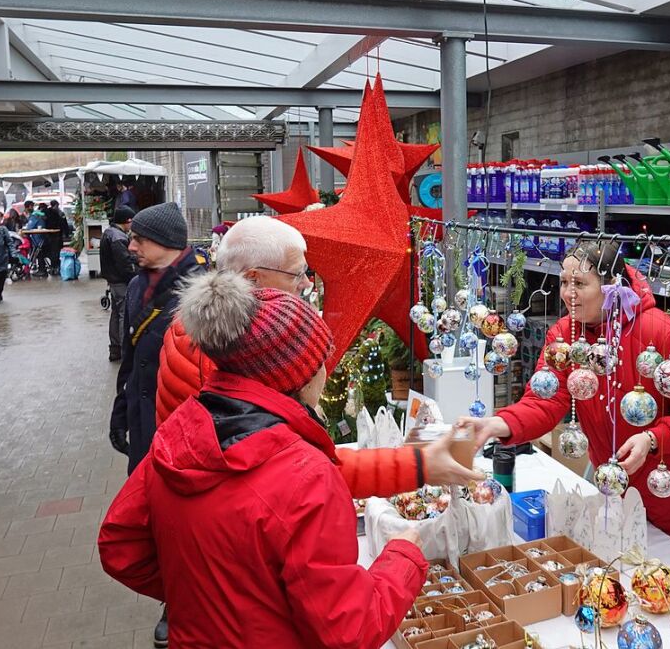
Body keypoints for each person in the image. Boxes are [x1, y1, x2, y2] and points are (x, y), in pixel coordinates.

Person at [99, 269, 426, 649]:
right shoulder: (306, 476)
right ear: (301, 376)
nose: (325, 371)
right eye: (321, 360)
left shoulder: (179, 433)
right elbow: (349, 630)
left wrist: (211, 597)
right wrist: (405, 555)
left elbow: (121, 545)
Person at [157, 215, 481, 495]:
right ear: (253, 278)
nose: (306, 283)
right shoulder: (228, 349)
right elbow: (302, 470)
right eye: (296, 274)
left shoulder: (209, 331)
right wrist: (418, 467)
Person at [459, 241, 670, 553]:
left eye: (580, 283)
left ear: (611, 285)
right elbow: (545, 399)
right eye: (564, 282)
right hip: (617, 491)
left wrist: (654, 439)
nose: (568, 293)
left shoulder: (662, 333)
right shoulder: (565, 337)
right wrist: (500, 424)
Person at [108, 202, 206, 647]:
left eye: (138, 239)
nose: (130, 246)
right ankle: (171, 591)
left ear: (165, 243)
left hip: (186, 426)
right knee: (155, 517)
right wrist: (120, 409)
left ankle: (180, 604)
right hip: (144, 420)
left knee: (188, 520)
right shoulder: (134, 287)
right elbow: (130, 355)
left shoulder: (203, 292)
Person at [100, 206, 136, 362]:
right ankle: (124, 350)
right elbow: (125, 264)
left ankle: (114, 349)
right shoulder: (119, 238)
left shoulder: (109, 233)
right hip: (121, 282)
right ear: (127, 221)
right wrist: (135, 277)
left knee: (115, 314)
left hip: (112, 281)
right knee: (123, 315)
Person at [23, 203, 48, 274]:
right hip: (40, 238)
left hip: (38, 238)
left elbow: (29, 227)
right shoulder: (38, 216)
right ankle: (42, 268)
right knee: (40, 253)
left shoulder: (33, 217)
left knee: (39, 253)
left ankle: (42, 270)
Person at [43, 201, 65, 276]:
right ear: (55, 205)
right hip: (56, 236)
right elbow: (63, 224)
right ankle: (55, 267)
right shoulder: (58, 213)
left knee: (53, 252)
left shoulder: (47, 212)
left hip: (50, 236)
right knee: (55, 253)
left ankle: (54, 267)